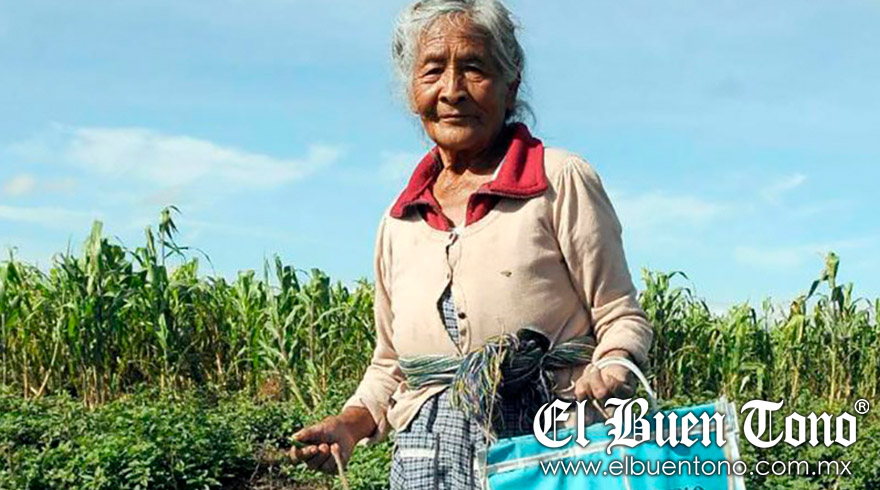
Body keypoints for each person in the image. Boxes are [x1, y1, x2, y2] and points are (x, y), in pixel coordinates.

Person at [291, 0, 653, 487]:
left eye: (474, 68)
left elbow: (620, 315)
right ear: (412, 91)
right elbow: (391, 364)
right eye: (432, 71)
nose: (452, 90)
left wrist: (611, 365)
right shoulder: (400, 220)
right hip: (425, 459)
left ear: (511, 85)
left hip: (546, 452)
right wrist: (349, 425)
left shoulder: (559, 181)